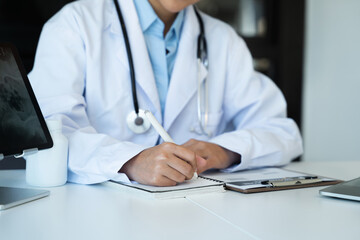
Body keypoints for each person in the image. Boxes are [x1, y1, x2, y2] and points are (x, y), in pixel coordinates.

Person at [29, 0, 303, 187]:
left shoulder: (223, 41)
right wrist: (129, 162)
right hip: (94, 215)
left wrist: (224, 151)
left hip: (195, 216)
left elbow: (282, 132)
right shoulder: (75, 24)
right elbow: (49, 131)